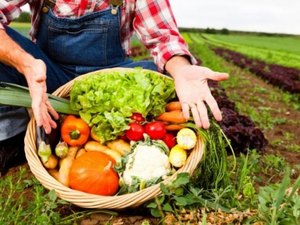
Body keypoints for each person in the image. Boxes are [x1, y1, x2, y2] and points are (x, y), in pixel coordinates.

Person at [0, 0, 228, 176]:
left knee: (165, 80)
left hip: (109, 78)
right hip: (49, 74)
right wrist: (26, 63)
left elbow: (163, 37)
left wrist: (182, 70)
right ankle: (12, 138)